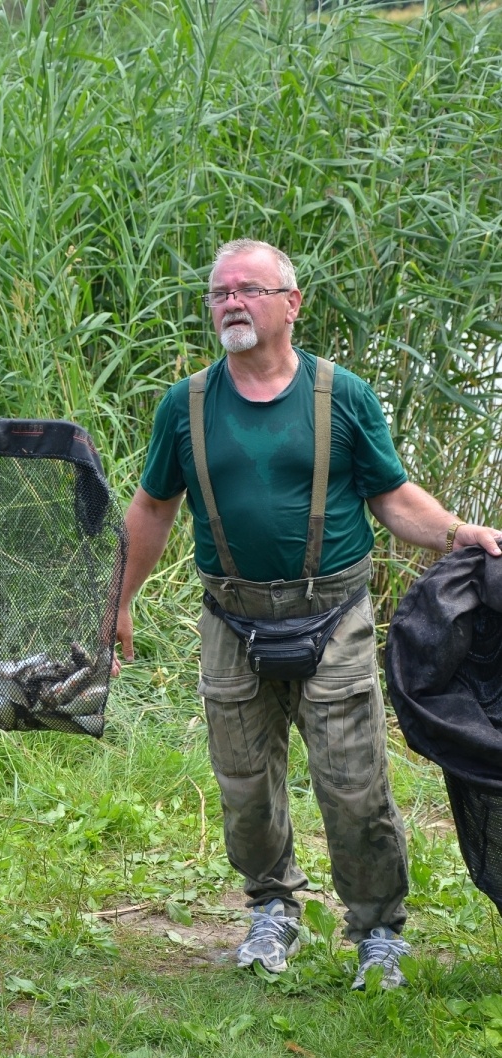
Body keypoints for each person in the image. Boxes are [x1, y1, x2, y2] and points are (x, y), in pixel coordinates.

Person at [114, 238, 502, 990]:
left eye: (247, 289)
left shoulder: (343, 395)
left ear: (290, 304)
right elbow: (152, 507)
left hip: (333, 617)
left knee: (354, 787)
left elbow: (391, 497)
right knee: (243, 787)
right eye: (218, 292)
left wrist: (461, 534)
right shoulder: (184, 404)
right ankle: (271, 909)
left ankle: (378, 932)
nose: (229, 302)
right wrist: (118, 600)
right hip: (230, 618)